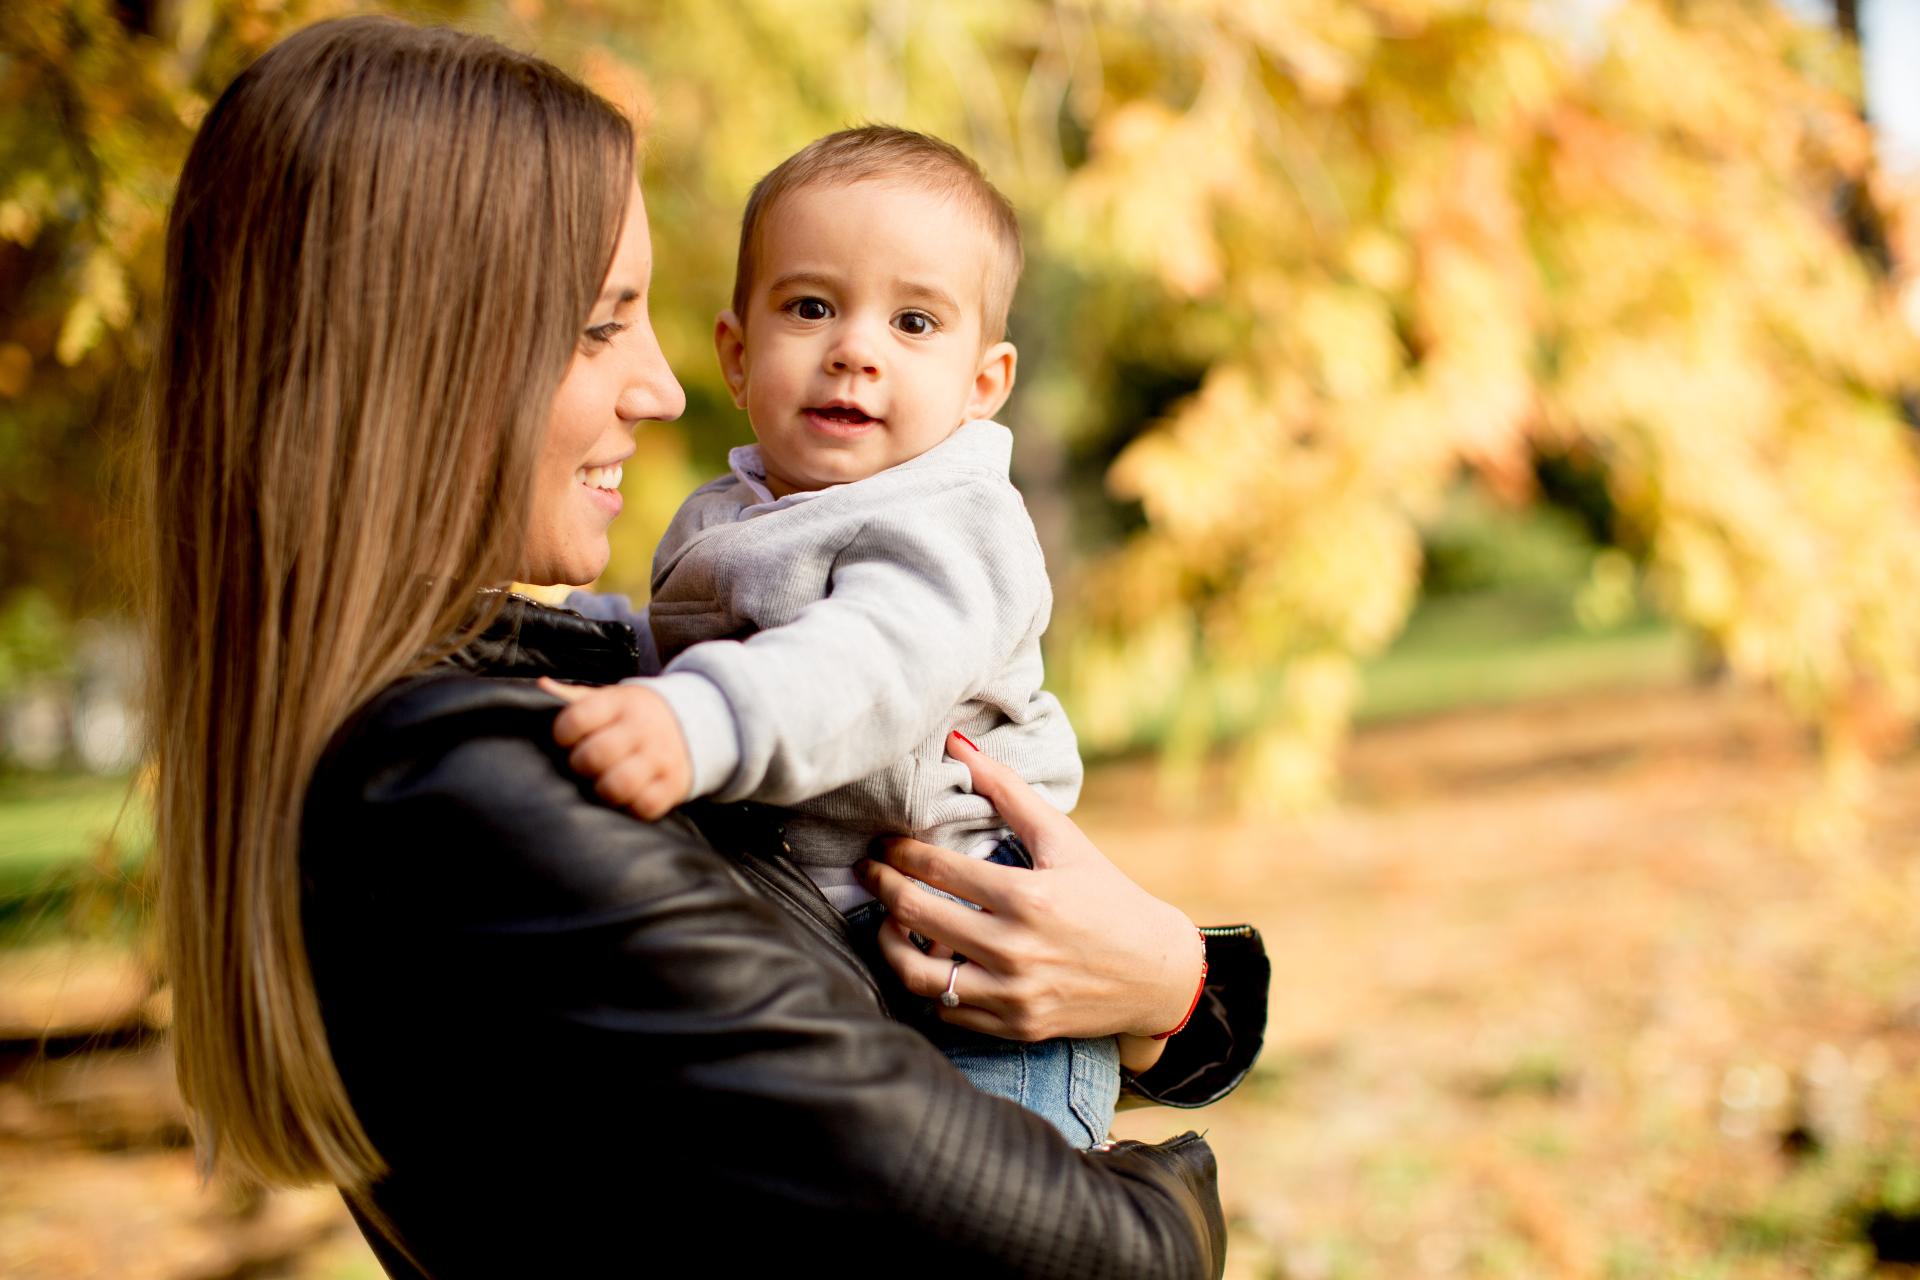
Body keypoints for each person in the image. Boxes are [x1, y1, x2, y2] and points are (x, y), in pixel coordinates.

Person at [143, 15, 1268, 1277]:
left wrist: (1181, 990)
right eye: (599, 324)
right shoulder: (459, 791)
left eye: (915, 324)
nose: (667, 386)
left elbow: (854, 686)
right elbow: (1086, 1261)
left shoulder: (483, 707)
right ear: (421, 355)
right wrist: (1172, 1196)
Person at [548, 126, 1156, 1148]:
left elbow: (862, 667)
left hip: (982, 984)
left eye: (914, 321)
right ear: (737, 355)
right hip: (832, 958)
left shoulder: (954, 524)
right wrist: (558, 644)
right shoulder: (729, 516)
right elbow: (667, 653)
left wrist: (691, 719)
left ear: (983, 383)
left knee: (999, 1235)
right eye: (812, 306)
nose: (855, 348)